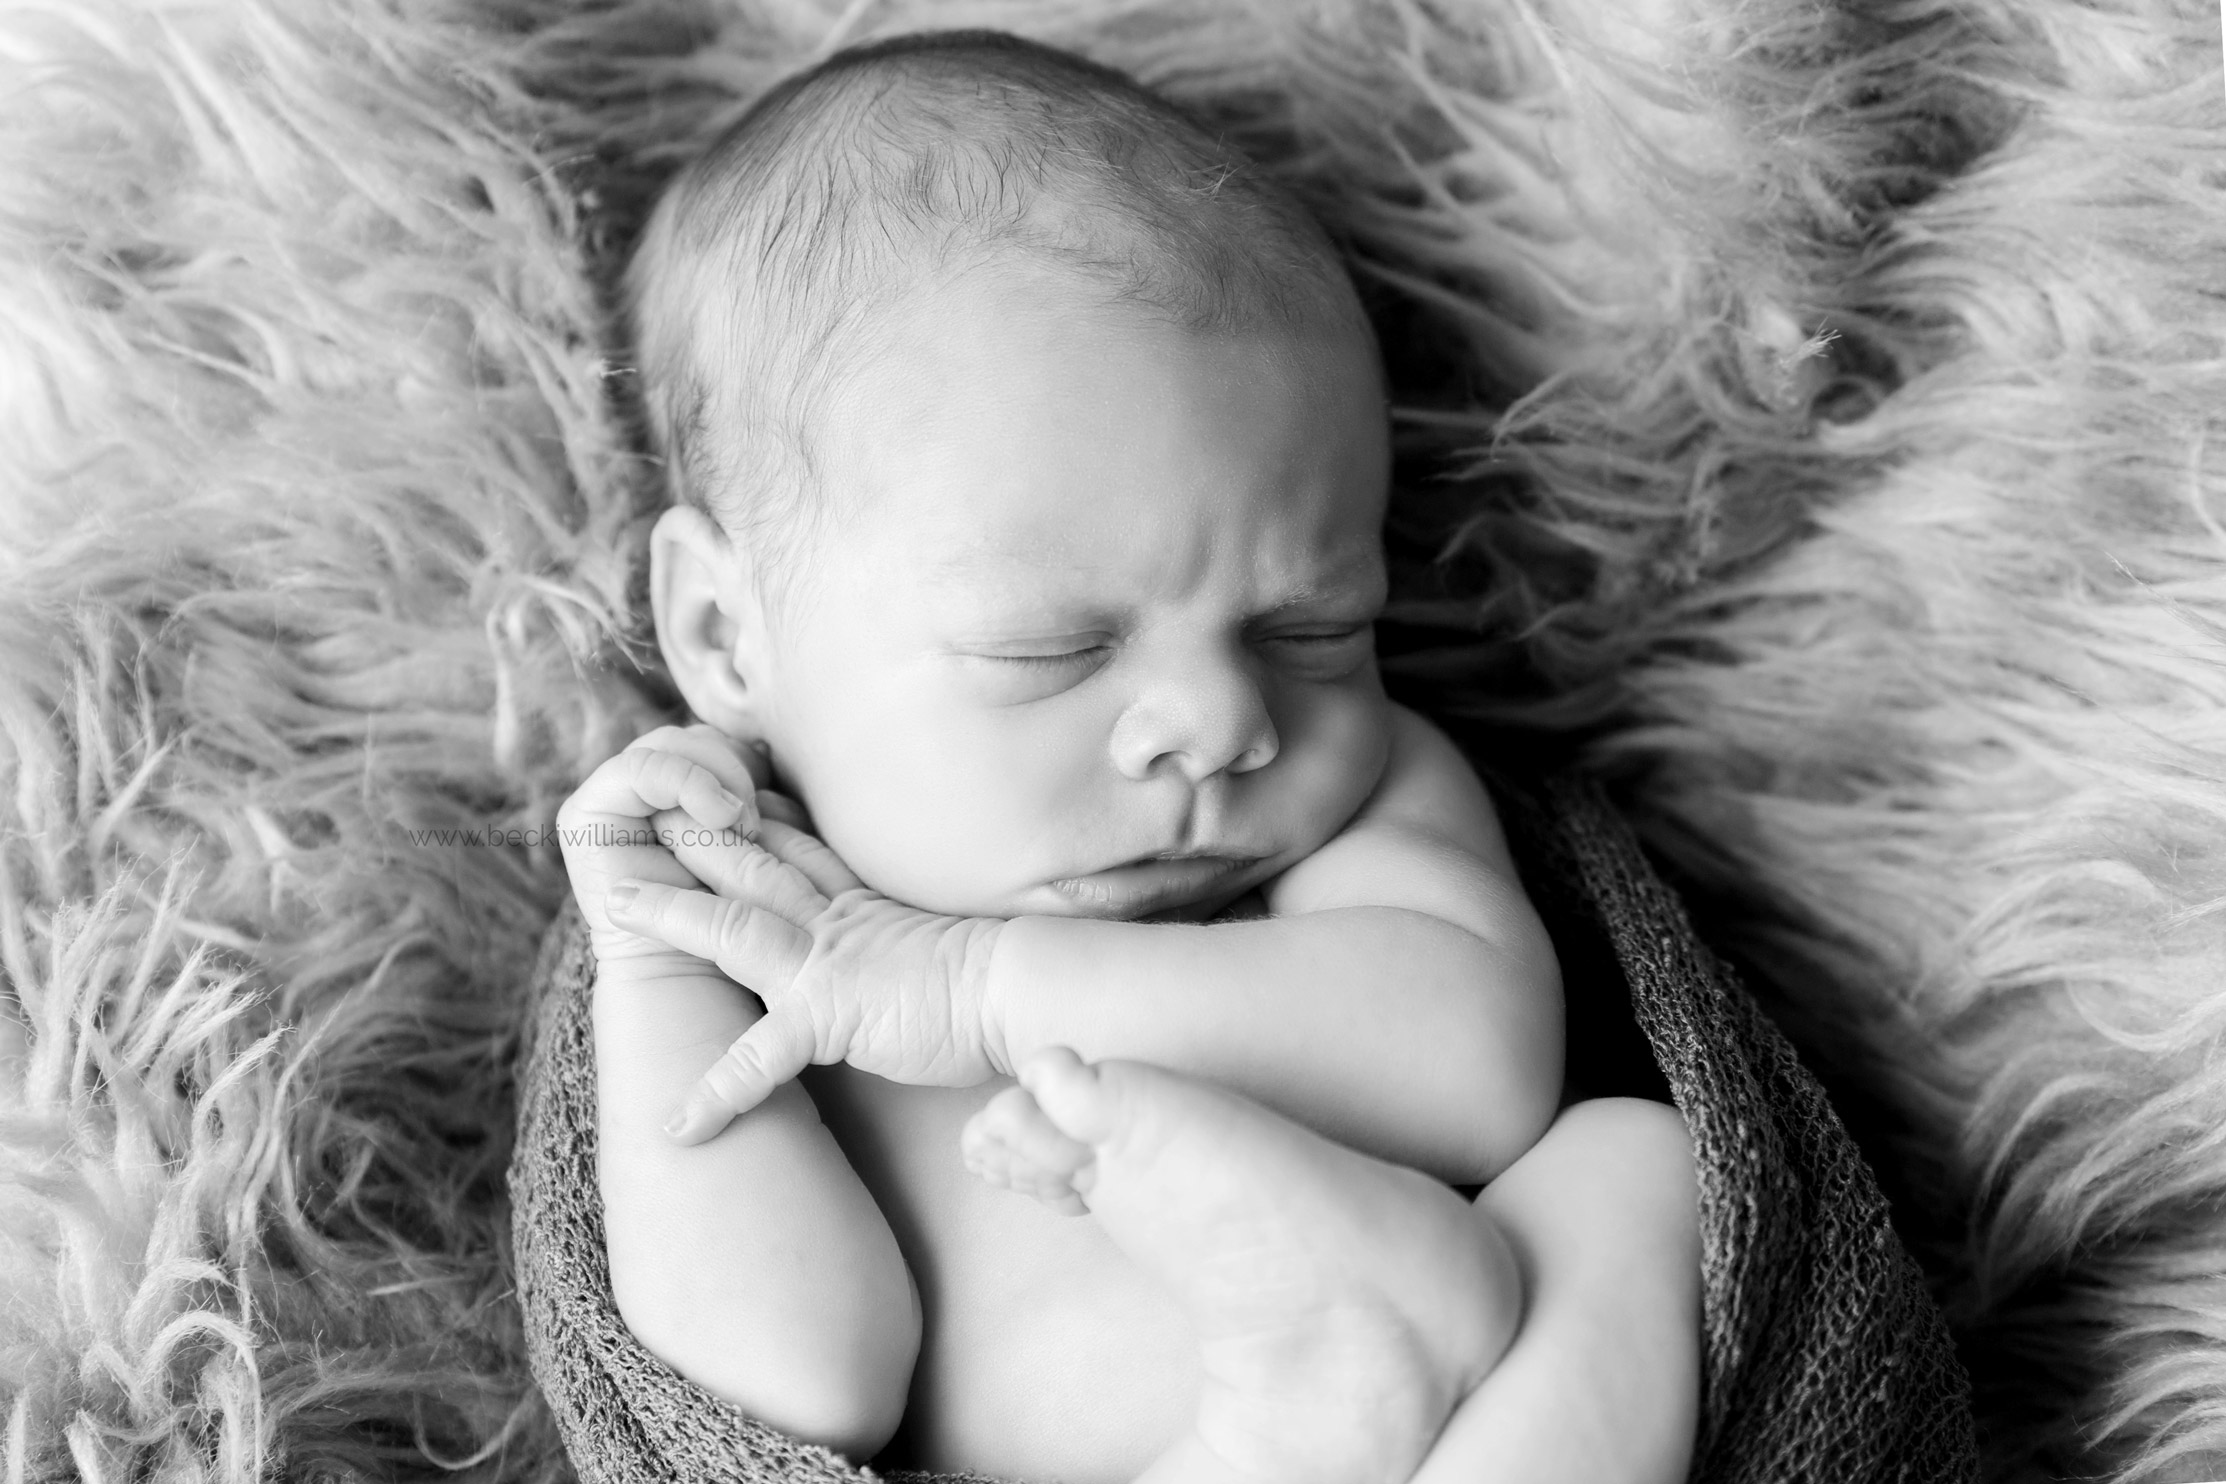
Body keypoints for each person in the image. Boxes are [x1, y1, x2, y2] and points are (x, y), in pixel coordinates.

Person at [554, 29, 1699, 1484]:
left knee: (1636, 1170)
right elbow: (798, 1385)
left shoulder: (1350, 806)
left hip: (1472, 1429)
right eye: (1053, 650)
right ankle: (1309, 1403)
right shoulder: (754, 916)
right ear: (726, 635)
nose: (1221, 720)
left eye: (1308, 626)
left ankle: (1349, 1382)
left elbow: (1477, 1070)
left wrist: (980, 986)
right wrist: (654, 974)